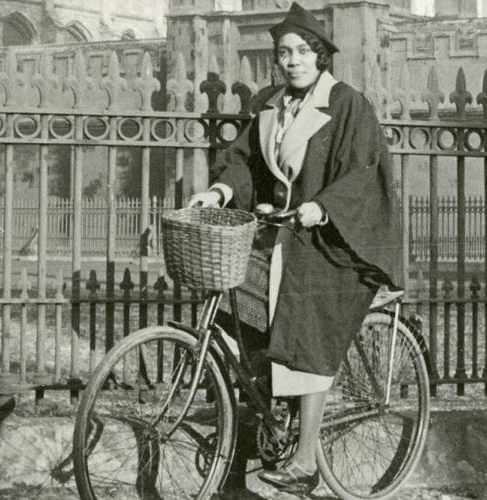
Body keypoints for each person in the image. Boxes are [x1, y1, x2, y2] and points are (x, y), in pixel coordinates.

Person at [185, 3, 402, 494]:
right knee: (239, 325)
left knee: (304, 317)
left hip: (333, 241)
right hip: (277, 233)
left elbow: (365, 173)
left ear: (321, 56)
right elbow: (243, 161)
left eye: (303, 51)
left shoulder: (347, 105)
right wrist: (218, 191)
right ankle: (244, 455)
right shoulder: (268, 103)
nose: (293, 60)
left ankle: (305, 461)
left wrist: (321, 207)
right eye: (284, 52)